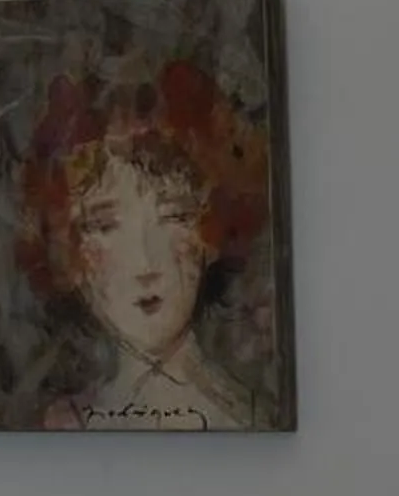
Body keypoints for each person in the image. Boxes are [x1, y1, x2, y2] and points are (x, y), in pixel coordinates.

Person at [19, 61, 278, 431]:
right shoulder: (61, 427)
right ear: (64, 242)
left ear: (215, 229)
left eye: (174, 216)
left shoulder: (252, 421)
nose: (145, 262)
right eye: (104, 225)